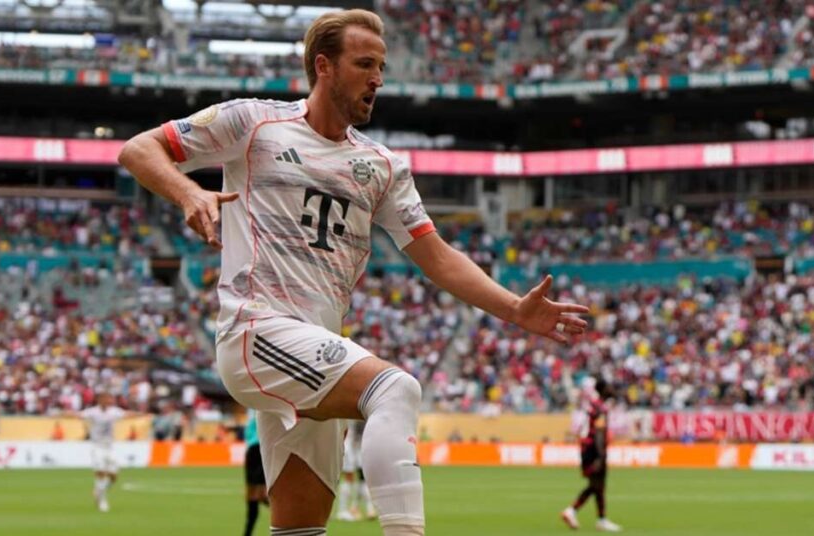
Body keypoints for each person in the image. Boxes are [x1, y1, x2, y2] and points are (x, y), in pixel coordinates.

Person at [118, 9, 590, 535]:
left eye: (381, 67)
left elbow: (435, 255)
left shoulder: (381, 166)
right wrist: (188, 192)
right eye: (365, 64)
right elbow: (139, 149)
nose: (378, 79)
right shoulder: (254, 123)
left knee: (300, 529)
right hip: (256, 332)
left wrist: (512, 308)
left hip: (312, 353)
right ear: (324, 66)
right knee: (394, 389)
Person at [561, 378, 622, 532]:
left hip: (588, 449)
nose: (611, 389)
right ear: (603, 390)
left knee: (598, 486)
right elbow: (599, 434)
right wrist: (601, 457)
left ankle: (600, 519)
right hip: (593, 451)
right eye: (609, 387)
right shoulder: (600, 409)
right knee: (596, 485)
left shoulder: (593, 406)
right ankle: (572, 510)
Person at [74, 392, 139, 513]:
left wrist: (142, 414)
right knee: (101, 472)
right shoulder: (92, 412)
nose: (109, 400)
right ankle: (102, 500)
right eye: (107, 398)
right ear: (100, 400)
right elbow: (78, 415)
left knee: (114, 476)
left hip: (110, 447)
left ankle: (99, 491)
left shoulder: (114, 411)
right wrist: (61, 414)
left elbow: (127, 414)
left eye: (110, 398)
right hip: (97, 446)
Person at [336, 420, 375, 521]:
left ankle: (354, 508)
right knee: (351, 477)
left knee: (356, 477)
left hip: (349, 445)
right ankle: (343, 510)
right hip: (350, 446)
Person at [244, 409, 269, 536]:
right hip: (253, 451)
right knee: (251, 494)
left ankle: (289, 516)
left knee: (260, 494)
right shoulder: (253, 406)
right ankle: (247, 533)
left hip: (261, 450)